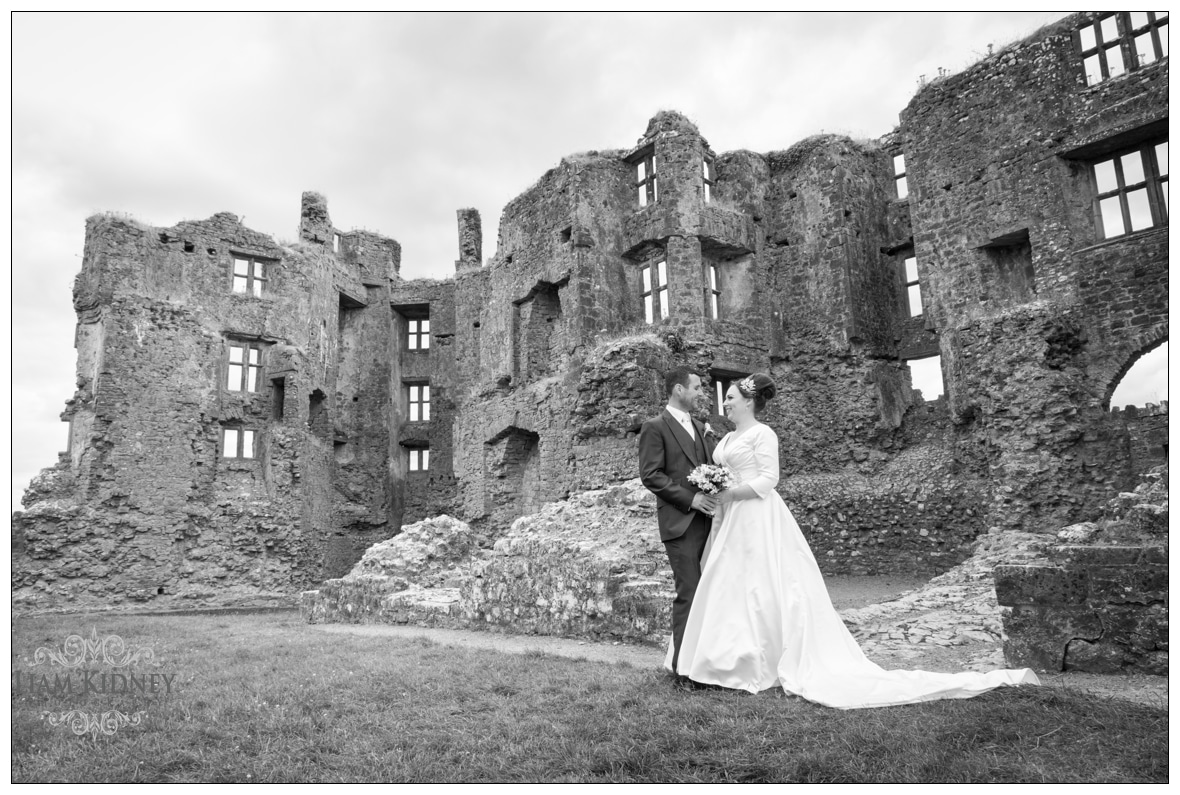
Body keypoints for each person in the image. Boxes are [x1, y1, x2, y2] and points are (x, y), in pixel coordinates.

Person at [669, 372, 1041, 708]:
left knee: (759, 586)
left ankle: (754, 661)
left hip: (755, 517)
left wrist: (729, 494)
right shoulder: (728, 436)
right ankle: (720, 660)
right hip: (728, 519)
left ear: (749, 401)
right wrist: (712, 485)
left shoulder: (763, 434)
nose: (726, 403)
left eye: (731, 397)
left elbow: (769, 479)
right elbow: (722, 469)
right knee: (729, 584)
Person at [638, 367, 719, 678]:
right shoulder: (655, 427)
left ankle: (707, 666)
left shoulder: (701, 427)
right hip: (679, 523)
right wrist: (691, 499)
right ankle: (682, 671)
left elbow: (709, 467)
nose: (701, 393)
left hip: (709, 521)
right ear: (677, 390)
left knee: (709, 592)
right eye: (696, 387)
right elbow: (651, 475)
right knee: (689, 592)